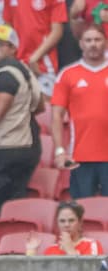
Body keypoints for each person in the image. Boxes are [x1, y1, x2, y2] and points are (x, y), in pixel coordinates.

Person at [0, 24, 44, 218]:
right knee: (13, 207)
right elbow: (39, 107)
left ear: (13, 48)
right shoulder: (26, 71)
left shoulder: (4, 73)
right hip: (25, 146)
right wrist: (20, 113)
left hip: (1, 147)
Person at [52, 25, 108, 199]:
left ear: (105, 42)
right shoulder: (67, 74)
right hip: (80, 156)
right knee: (83, 211)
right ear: (81, 44)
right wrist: (60, 152)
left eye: (97, 40)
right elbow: (56, 116)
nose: (93, 44)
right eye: (88, 40)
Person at [3, 0, 66, 91]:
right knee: (20, 104)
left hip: (42, 66)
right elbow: (8, 28)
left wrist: (35, 57)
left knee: (44, 103)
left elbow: (57, 31)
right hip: (17, 64)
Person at [27, 202, 105, 255]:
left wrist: (70, 250)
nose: (66, 225)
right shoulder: (51, 250)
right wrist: (31, 251)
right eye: (62, 221)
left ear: (80, 222)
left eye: (71, 220)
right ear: (57, 223)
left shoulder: (92, 245)